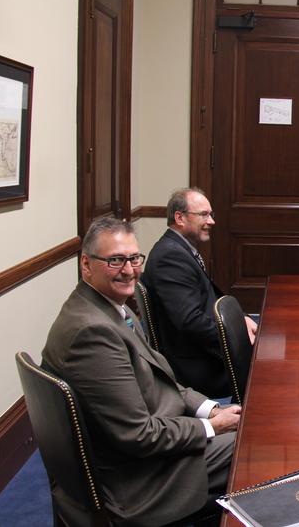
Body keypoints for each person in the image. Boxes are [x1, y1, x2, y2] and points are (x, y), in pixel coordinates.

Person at [42, 218, 240, 525]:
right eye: (115, 260)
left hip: (159, 438)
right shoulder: (92, 333)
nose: (129, 269)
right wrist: (211, 428)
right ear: (86, 264)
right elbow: (139, 436)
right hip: (141, 480)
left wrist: (212, 409)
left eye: (134, 258)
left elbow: (165, 382)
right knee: (253, 450)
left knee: (248, 431)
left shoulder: (106, 308)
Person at [140, 187, 257, 398]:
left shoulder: (179, 249)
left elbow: (210, 296)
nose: (211, 221)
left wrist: (242, 319)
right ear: (180, 218)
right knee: (267, 368)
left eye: (211, 214)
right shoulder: (170, 258)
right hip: (198, 367)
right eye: (204, 214)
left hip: (200, 351)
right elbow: (190, 321)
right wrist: (236, 337)